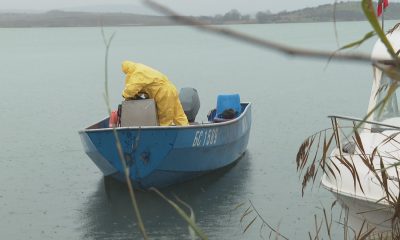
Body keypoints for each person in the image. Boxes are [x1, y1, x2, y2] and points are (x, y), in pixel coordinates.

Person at [121, 60, 189, 126]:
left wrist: (125, 95)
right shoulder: (142, 68)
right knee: (178, 114)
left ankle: (164, 134)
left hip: (163, 93)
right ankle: (187, 130)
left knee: (165, 117)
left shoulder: (138, 73)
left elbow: (131, 89)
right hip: (171, 89)